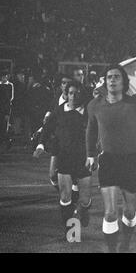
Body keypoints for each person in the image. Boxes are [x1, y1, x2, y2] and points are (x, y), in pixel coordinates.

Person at [85, 45, 136, 252]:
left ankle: (127, 241)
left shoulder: (135, 102)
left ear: (124, 82)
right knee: (110, 213)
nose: (112, 79)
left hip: (131, 162)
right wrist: (90, 155)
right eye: (109, 77)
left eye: (116, 77)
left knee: (130, 212)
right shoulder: (94, 105)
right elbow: (91, 130)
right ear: (105, 81)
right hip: (108, 161)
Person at [34, 81, 92, 239]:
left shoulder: (88, 111)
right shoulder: (60, 110)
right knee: (65, 196)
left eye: (77, 93)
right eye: (71, 93)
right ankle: (71, 233)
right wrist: (40, 144)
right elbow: (47, 128)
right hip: (64, 158)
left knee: (85, 200)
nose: (73, 96)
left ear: (82, 94)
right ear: (67, 94)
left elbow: (99, 130)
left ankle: (85, 210)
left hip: (83, 158)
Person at [0, 72, 14, 151]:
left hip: (5, 108)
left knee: (5, 127)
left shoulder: (9, 85)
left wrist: (7, 112)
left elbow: (10, 98)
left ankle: (7, 142)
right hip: (3, 107)